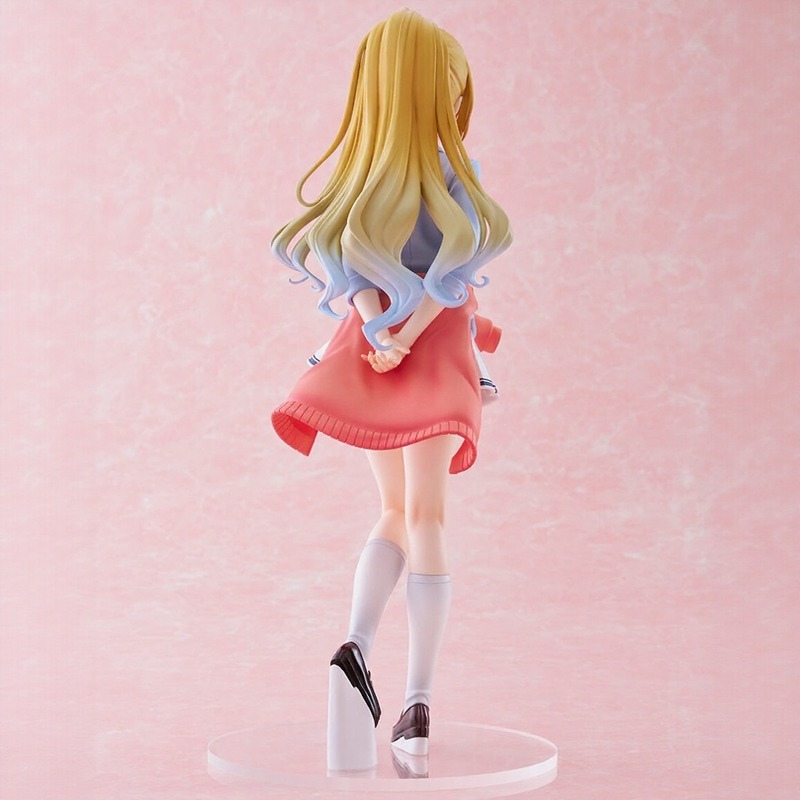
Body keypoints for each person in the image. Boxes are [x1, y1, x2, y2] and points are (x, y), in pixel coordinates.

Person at [270, 8, 512, 759]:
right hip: (431, 354)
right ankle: (417, 703)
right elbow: (450, 281)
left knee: (393, 511)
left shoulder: (361, 182)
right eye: (449, 88)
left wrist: (380, 334)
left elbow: (355, 273)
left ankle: (355, 645)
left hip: (375, 352)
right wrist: (404, 337)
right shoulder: (453, 182)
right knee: (426, 516)